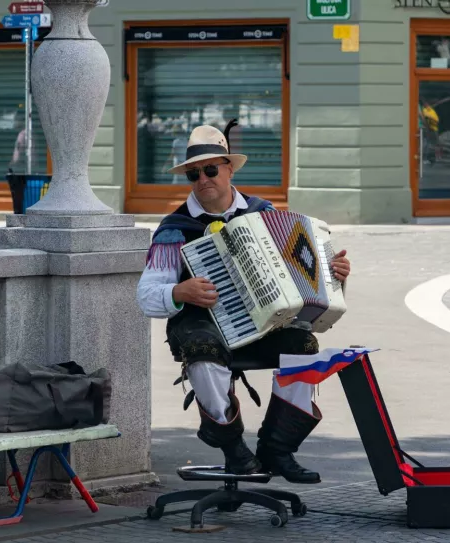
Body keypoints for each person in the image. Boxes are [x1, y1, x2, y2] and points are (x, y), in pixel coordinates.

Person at [136, 124, 352, 484]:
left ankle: (277, 449)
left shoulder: (263, 214)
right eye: (194, 174)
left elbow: (302, 275)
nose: (203, 179)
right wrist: (179, 292)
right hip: (199, 322)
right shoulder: (175, 228)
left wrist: (336, 274)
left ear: (229, 168)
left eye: (211, 170)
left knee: (303, 345)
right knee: (202, 349)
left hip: (263, 324)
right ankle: (233, 449)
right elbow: (146, 296)